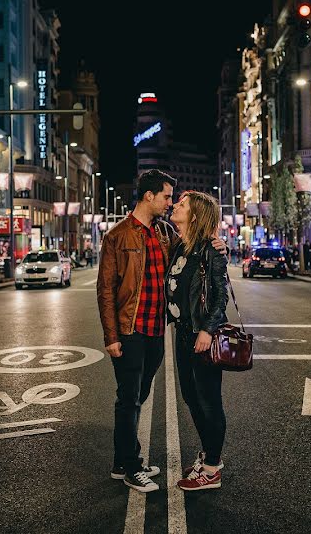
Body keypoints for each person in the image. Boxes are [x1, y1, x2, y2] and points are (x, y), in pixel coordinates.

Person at [96, 169, 225, 494]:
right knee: (130, 398)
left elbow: (208, 276)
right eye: (168, 196)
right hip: (132, 330)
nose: (171, 203)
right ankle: (130, 465)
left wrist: (218, 246)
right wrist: (111, 336)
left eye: (176, 200)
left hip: (161, 333)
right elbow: (106, 290)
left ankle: (124, 461)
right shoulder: (118, 236)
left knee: (141, 397)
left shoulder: (167, 234)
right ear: (149, 196)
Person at [166, 191, 229, 491]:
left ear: (194, 216)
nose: (175, 206)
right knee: (191, 398)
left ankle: (212, 468)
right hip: (182, 333)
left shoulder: (210, 250)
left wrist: (206, 330)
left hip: (202, 337)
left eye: (182, 205)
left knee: (209, 402)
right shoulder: (178, 246)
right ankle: (209, 455)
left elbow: (221, 296)